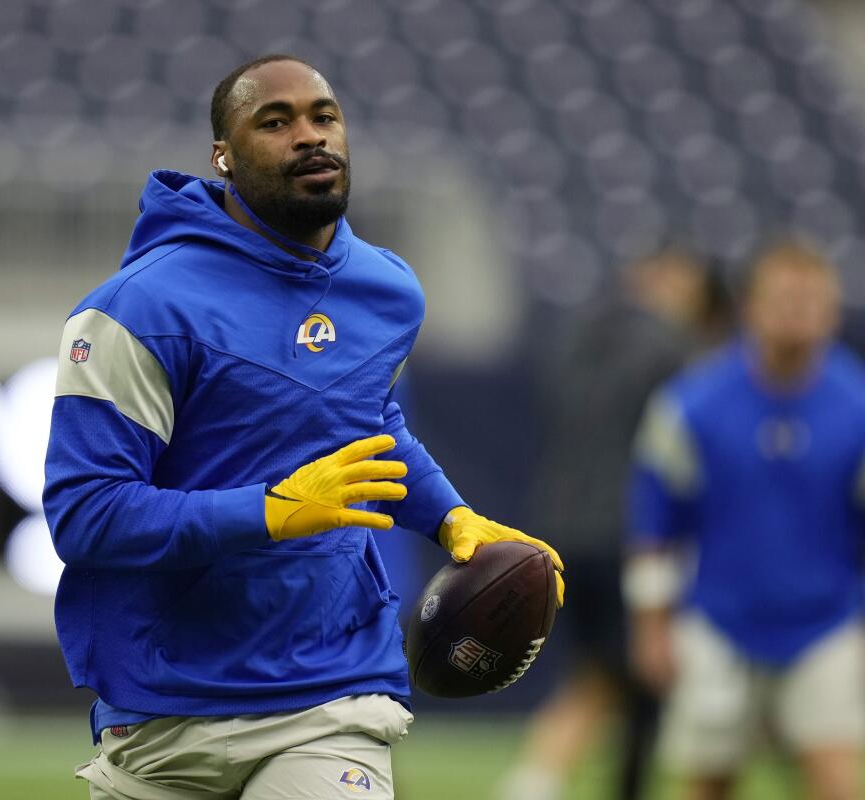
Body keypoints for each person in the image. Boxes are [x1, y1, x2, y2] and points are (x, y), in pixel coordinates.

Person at [42, 54, 564, 800]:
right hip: (164, 707)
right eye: (275, 121)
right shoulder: (137, 309)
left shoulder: (386, 290)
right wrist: (270, 511)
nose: (309, 136)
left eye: (324, 116)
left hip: (329, 691)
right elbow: (85, 513)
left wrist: (451, 517)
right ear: (222, 155)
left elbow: (370, 423)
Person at [625, 239, 865, 800]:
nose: (799, 311)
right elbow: (655, 524)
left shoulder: (858, 405)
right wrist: (651, 624)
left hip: (825, 623)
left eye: (812, 298)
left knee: (836, 777)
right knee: (707, 780)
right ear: (750, 307)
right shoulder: (691, 403)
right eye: (785, 297)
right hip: (719, 621)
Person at [499, 246, 711, 800]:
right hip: (629, 534)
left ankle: (535, 778)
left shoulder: (579, 337)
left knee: (594, 674)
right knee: (642, 677)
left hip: (562, 530)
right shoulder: (671, 347)